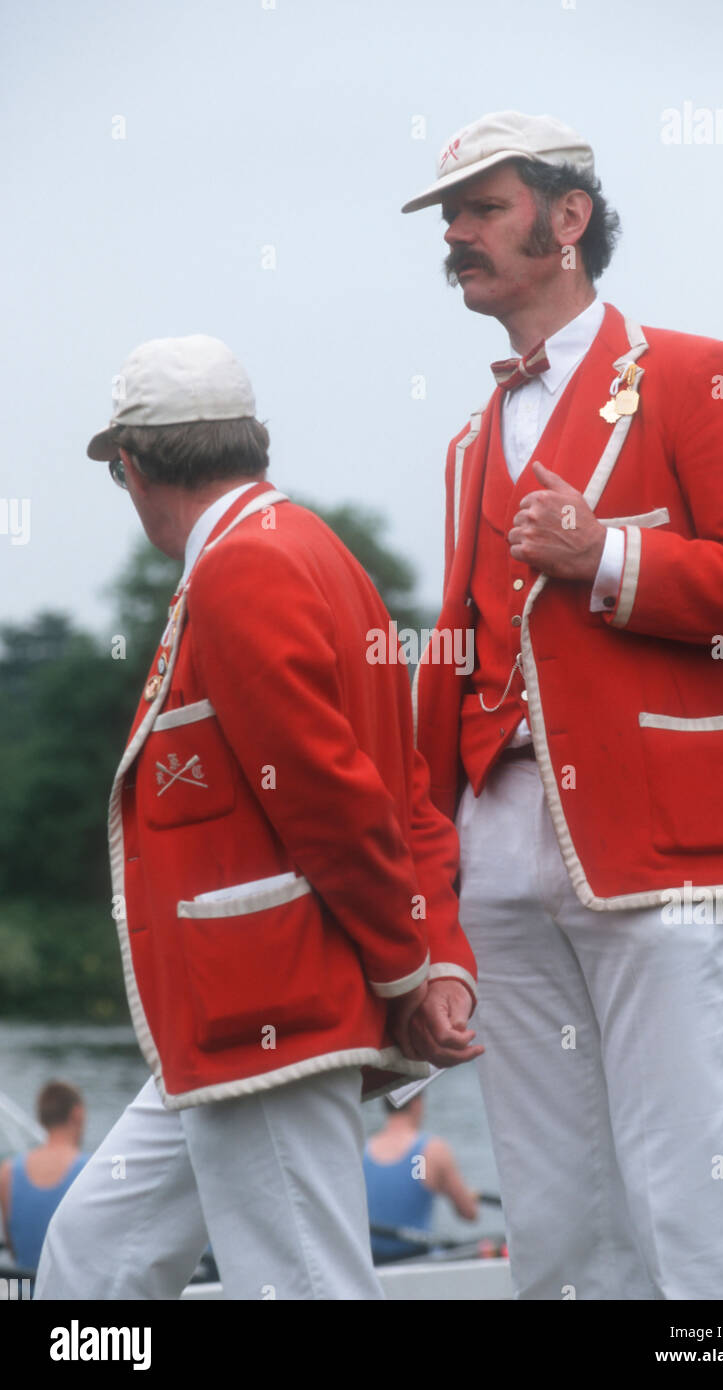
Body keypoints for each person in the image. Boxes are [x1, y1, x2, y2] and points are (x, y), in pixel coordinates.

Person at [402, 111, 723, 1300]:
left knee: (691, 1179)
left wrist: (609, 561)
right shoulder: (467, 439)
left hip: (660, 836)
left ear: (568, 217)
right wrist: (428, 876)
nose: (457, 235)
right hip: (498, 839)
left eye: (482, 209)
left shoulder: (699, 372)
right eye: (450, 217)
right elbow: (462, 650)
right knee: (552, 1202)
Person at [35, 334, 481, 1301]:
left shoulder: (240, 568)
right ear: (251, 441)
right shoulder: (322, 555)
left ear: (136, 466)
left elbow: (333, 799)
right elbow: (406, 793)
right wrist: (433, 954)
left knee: (303, 1287)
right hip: (232, 1020)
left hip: (268, 1009)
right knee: (91, 1258)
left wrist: (409, 968)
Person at [363, 1096, 478, 1261]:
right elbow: (469, 1213)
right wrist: (465, 1194)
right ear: (417, 1102)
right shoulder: (432, 1151)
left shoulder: (362, 1151)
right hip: (418, 1259)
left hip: (375, 1263)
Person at [0, 1081, 87, 1271]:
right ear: (77, 1113)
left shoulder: (8, 1172)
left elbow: (14, 1249)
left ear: (41, 1117)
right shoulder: (89, 1170)